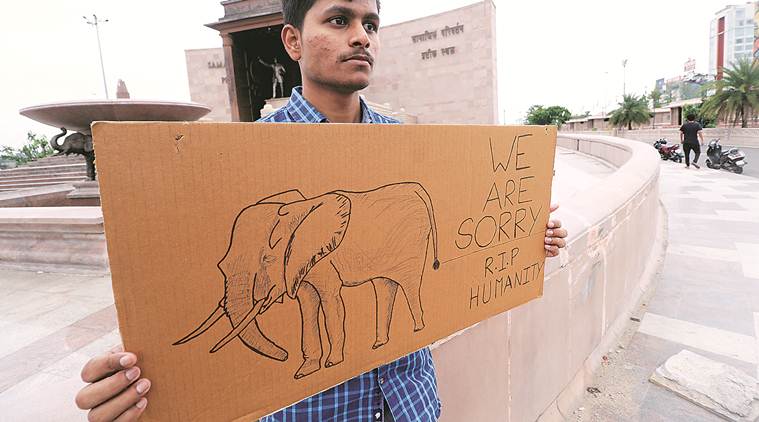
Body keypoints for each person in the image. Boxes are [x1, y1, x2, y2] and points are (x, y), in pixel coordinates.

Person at [73, 1, 569, 421]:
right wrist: (141, 375)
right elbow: (183, 286)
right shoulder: (241, 162)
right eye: (338, 20)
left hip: (411, 402)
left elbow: (464, 239)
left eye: (370, 24)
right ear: (293, 41)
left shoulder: (413, 148)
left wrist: (529, 236)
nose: (361, 37)